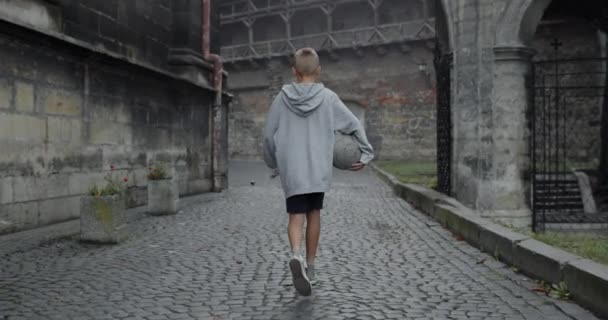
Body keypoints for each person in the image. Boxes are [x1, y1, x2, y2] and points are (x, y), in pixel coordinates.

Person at [263, 48, 374, 296]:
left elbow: (268, 136)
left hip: (293, 169)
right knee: (314, 214)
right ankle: (311, 268)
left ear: (294, 71)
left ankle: (295, 255)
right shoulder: (329, 98)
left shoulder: (281, 99)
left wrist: (273, 164)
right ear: (318, 70)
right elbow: (354, 124)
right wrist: (366, 152)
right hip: (318, 169)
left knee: (295, 216)